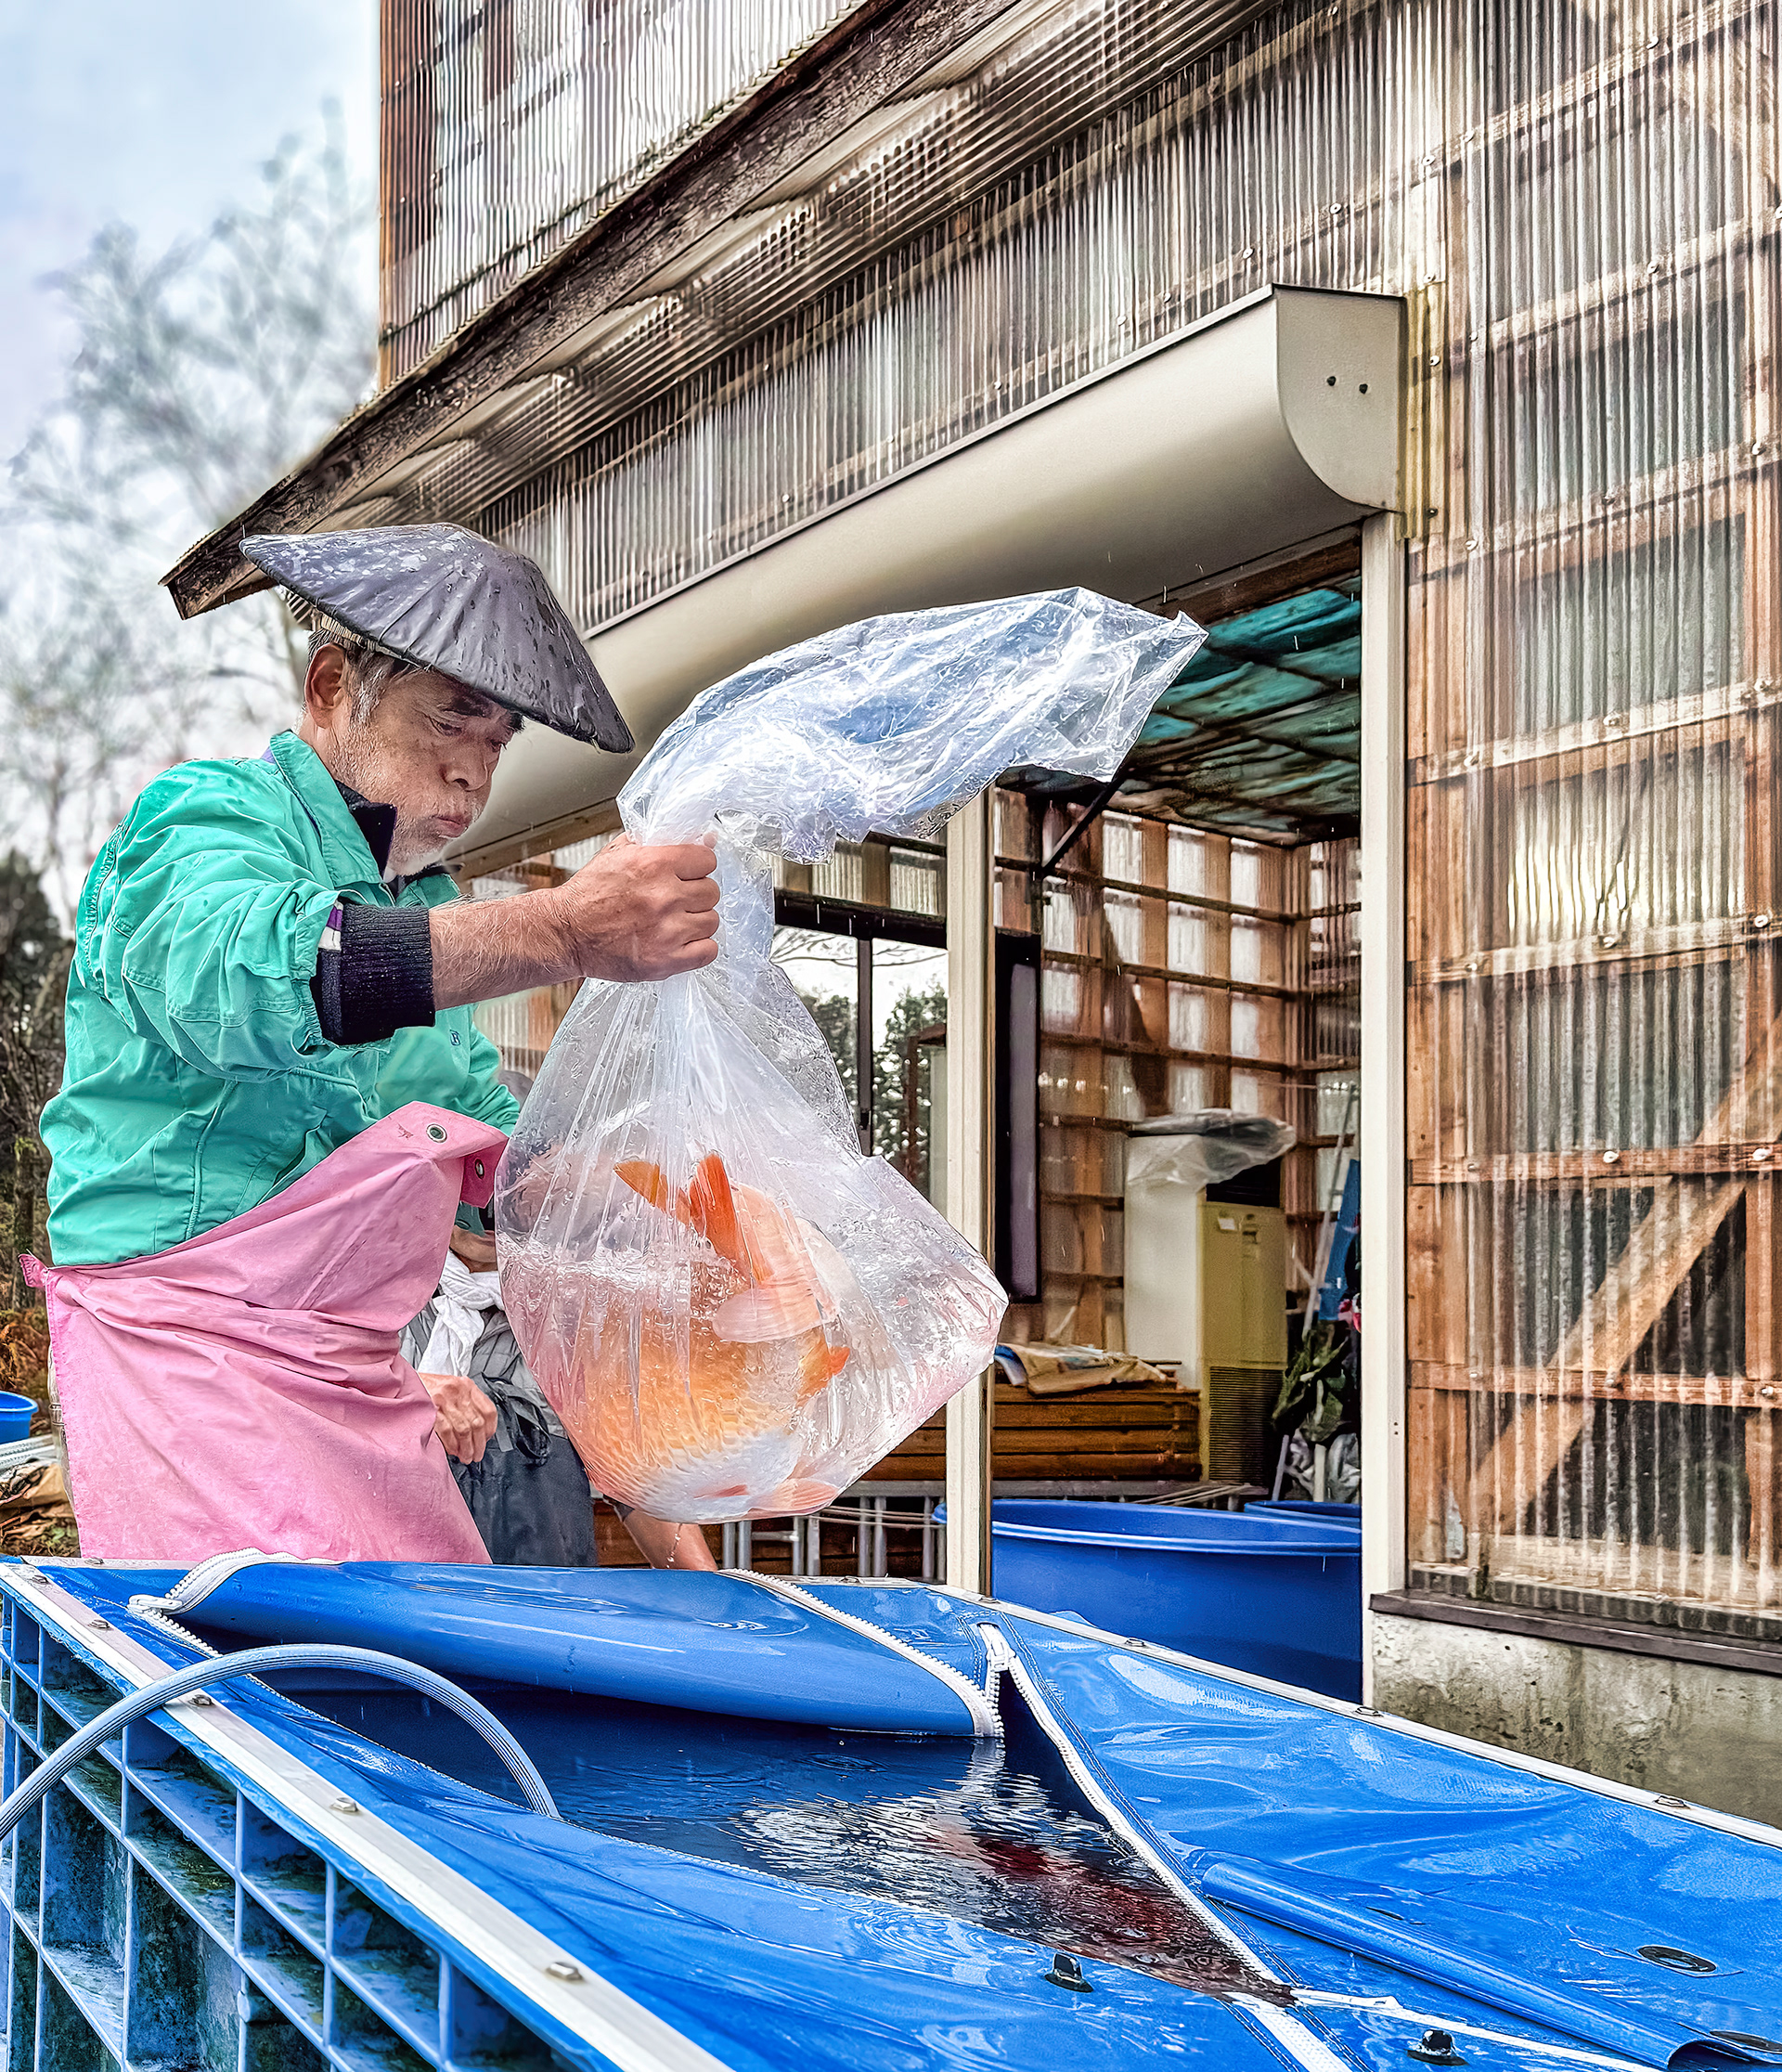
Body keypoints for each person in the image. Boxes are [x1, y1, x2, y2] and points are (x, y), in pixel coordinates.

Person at [32, 523, 720, 1564]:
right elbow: (244, 975)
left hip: (346, 1363)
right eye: (451, 720)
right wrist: (566, 931)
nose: (472, 774)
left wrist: (676, 1215)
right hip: (184, 1351)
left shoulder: (415, 913)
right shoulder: (206, 820)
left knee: (418, 1646)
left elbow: (485, 1152)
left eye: (497, 745)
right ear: (329, 687)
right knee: (246, 1676)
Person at [404, 1224, 717, 1570]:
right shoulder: (368, 1305)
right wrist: (403, 1389)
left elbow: (636, 1480)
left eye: (503, 1193)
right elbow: (335, 1409)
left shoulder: (579, 1324)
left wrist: (710, 1595)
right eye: (471, 1192)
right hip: (403, 1603)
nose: (488, 1217)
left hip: (549, 1602)